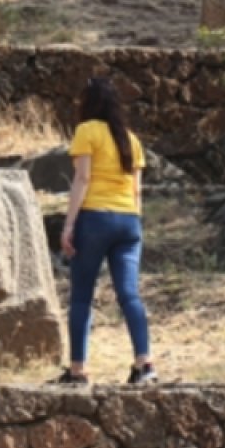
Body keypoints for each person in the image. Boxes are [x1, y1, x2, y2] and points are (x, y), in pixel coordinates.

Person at [55, 76, 157, 384]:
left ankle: (78, 369)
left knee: (82, 297)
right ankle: (144, 363)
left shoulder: (87, 131)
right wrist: (133, 224)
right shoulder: (131, 140)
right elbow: (137, 191)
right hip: (129, 222)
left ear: (88, 103)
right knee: (129, 294)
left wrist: (69, 225)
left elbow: (82, 179)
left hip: (95, 219)